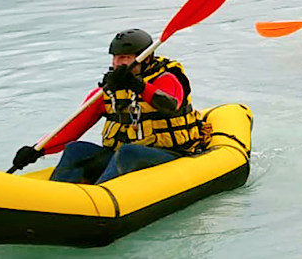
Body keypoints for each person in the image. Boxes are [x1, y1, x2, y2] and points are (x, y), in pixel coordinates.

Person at [12, 28, 206, 184]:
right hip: (121, 156)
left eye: (124, 58)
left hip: (171, 154)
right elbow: (73, 127)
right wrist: (38, 150)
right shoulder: (109, 90)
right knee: (75, 149)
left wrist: (137, 85)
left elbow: (170, 104)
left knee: (128, 152)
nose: (117, 63)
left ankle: (95, 203)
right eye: (115, 57)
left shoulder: (167, 78)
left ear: (145, 58)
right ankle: (53, 198)